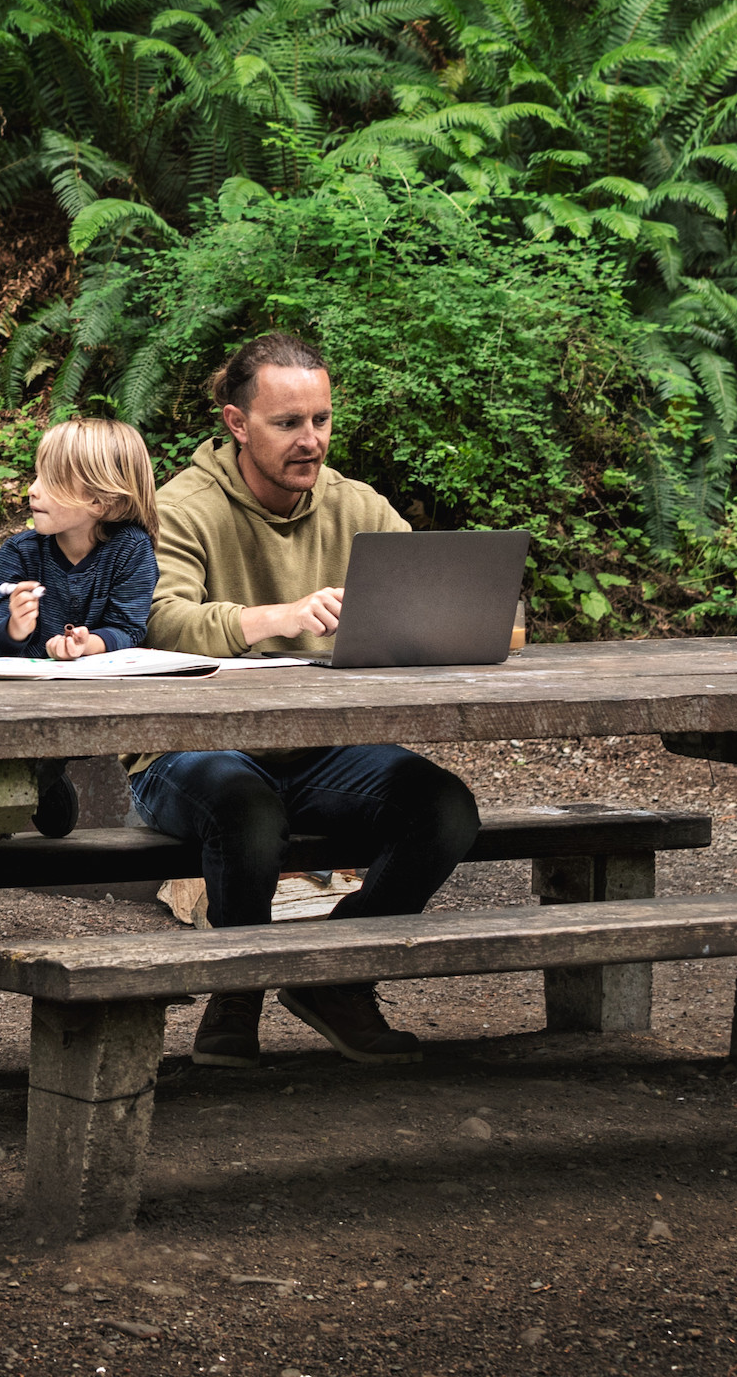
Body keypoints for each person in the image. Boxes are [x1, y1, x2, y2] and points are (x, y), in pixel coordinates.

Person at [135, 332, 481, 1067]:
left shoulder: (356, 505)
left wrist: (462, 615)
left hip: (322, 749)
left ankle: (338, 978)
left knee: (442, 806)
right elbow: (157, 622)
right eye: (288, 423)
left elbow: (428, 591)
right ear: (236, 424)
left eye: (321, 420)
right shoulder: (184, 506)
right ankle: (237, 996)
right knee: (245, 807)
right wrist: (277, 618)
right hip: (186, 750)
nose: (311, 441)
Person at [0, 417, 159, 841]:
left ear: (99, 501)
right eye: (36, 475)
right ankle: (37, 789)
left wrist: (90, 644)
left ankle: (35, 786)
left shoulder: (131, 551)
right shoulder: (19, 551)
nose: (32, 489)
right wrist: (14, 628)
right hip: (12, 700)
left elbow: (129, 629)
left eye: (50, 480)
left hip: (80, 700)